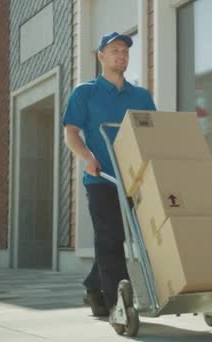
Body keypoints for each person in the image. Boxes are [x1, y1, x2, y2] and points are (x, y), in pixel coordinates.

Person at [63, 32, 156, 317]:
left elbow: (153, 131)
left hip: (135, 177)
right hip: (101, 177)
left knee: (120, 237)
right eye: (115, 50)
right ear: (101, 56)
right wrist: (88, 158)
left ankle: (94, 287)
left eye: (126, 51)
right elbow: (71, 133)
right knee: (110, 235)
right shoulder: (85, 92)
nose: (122, 55)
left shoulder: (140, 95)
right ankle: (119, 303)